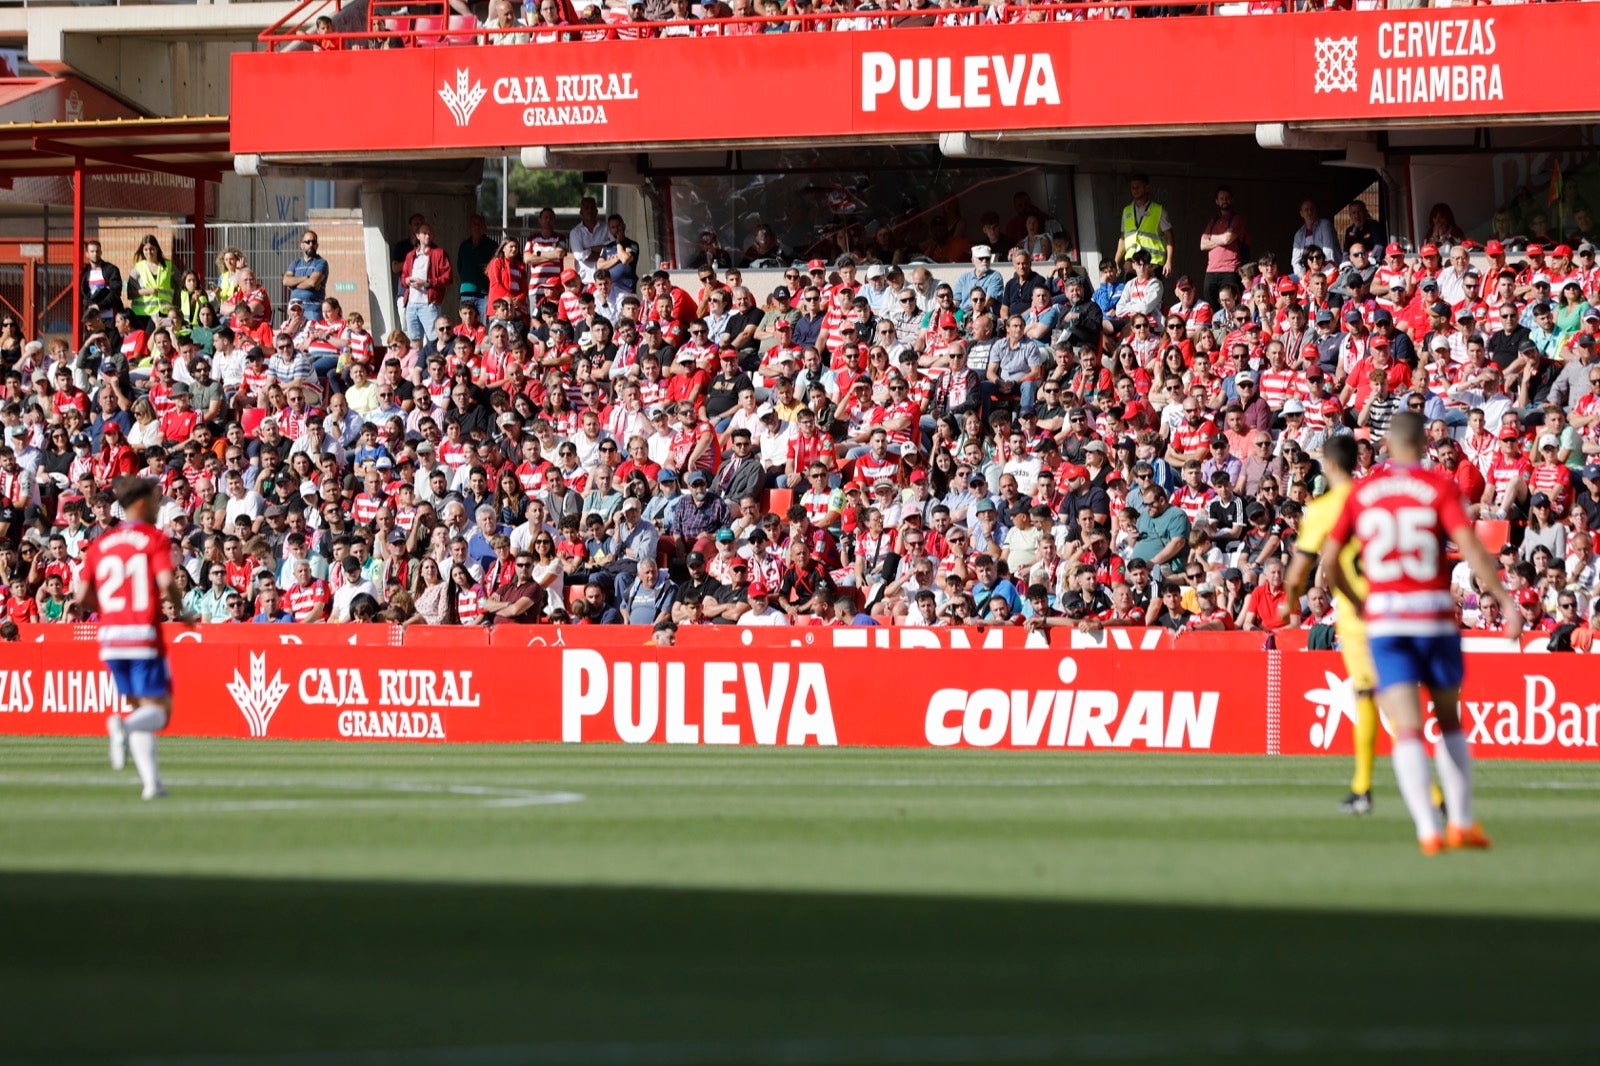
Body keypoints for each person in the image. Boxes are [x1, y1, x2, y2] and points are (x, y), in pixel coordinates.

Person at [1320, 412, 1520, 855]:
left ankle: (1428, 829)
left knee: (1407, 729)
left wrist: (1356, 601)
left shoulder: (1364, 492)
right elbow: (1471, 547)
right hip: (1432, 617)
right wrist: (1506, 602)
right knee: (1448, 720)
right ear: (1425, 445)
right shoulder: (1437, 486)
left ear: (1388, 446)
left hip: (1387, 621)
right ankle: (1462, 824)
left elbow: (1330, 559)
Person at [73, 477, 193, 801]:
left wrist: (111, 609)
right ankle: (122, 728)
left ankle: (152, 784)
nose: (157, 505)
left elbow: (81, 594)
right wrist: (182, 612)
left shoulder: (101, 542)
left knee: (141, 708)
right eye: (154, 499)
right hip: (143, 635)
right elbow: (167, 581)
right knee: (160, 711)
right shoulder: (153, 538)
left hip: (111, 639)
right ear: (140, 502)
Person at [1282, 435, 1383, 815]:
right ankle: (1432, 795)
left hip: (1358, 614)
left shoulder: (1325, 508)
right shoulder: (1375, 499)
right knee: (1397, 701)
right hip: (1391, 605)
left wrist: (1289, 604)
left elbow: (1298, 573)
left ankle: (1363, 788)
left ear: (1329, 464)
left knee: (1369, 696)